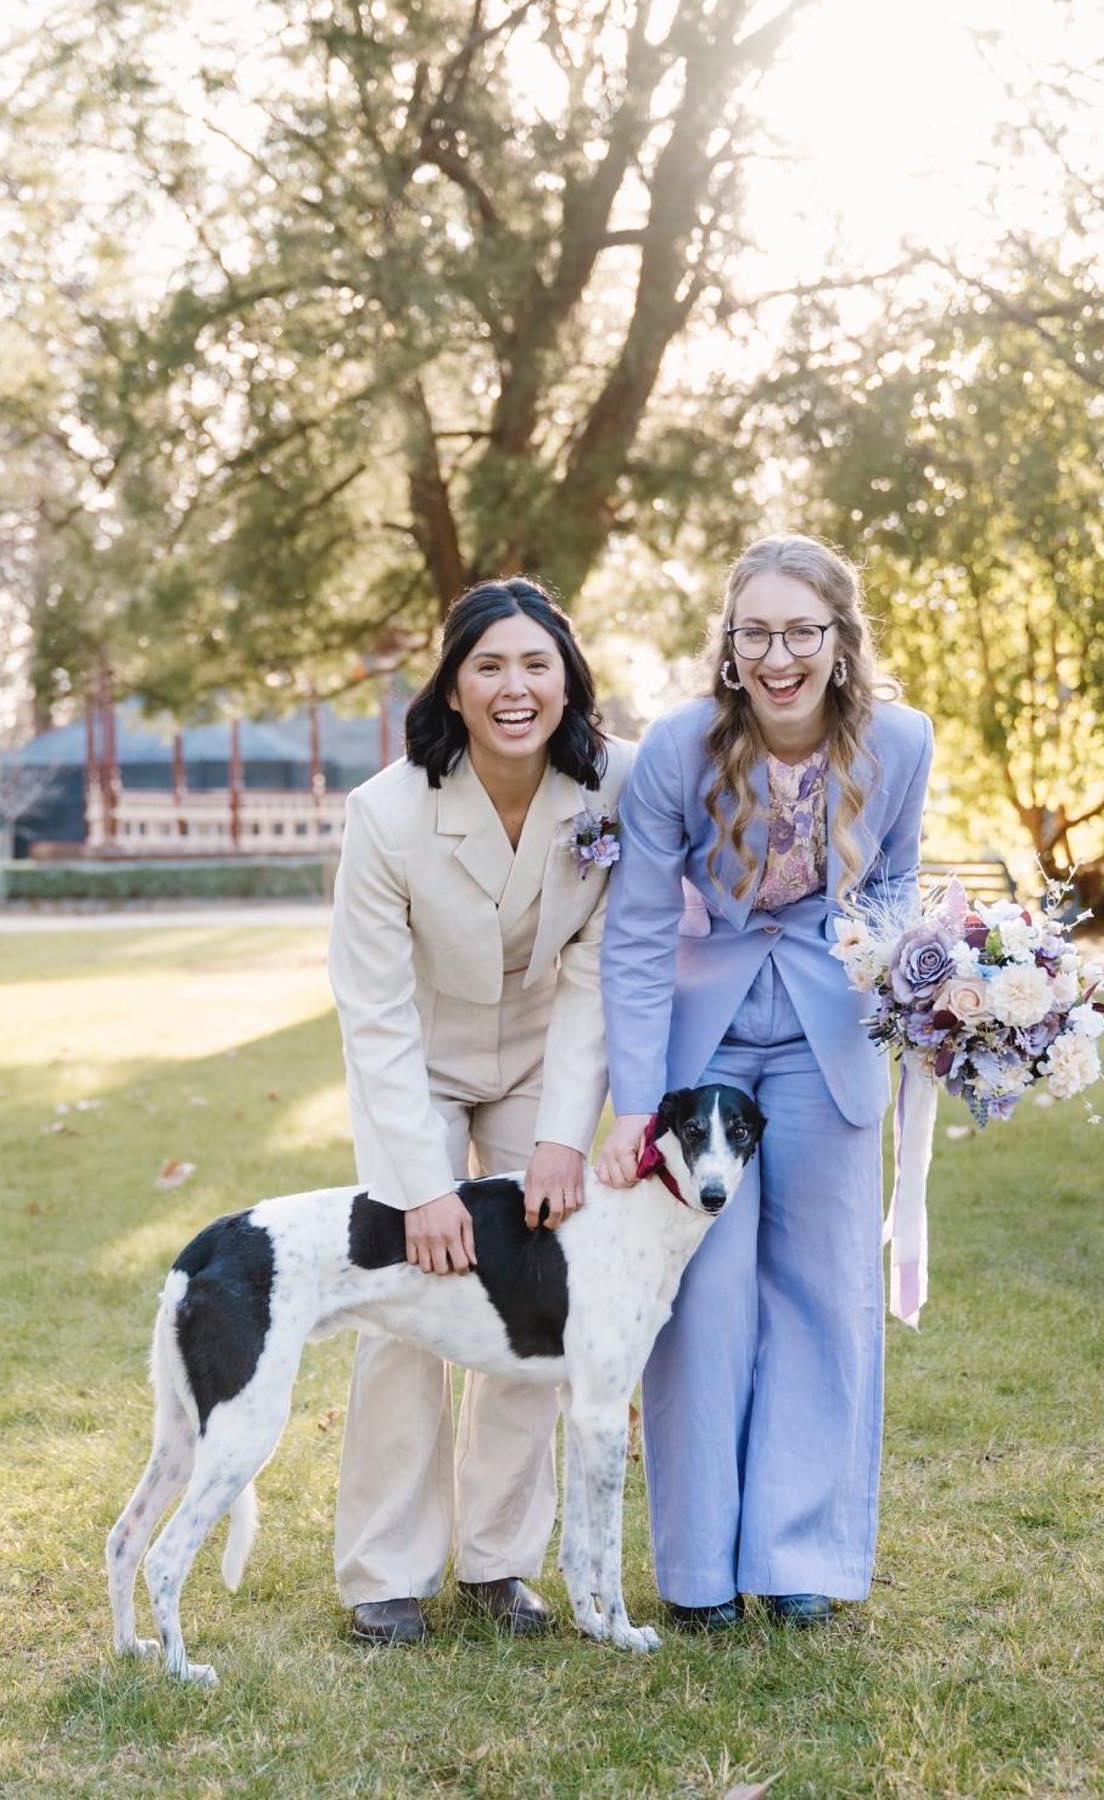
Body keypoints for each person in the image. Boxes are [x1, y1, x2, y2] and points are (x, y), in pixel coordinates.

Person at [595, 532, 932, 1628]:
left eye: (800, 631)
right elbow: (640, 931)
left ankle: (802, 1563)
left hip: (829, 1041)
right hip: (706, 1047)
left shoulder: (904, 743)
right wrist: (639, 1104)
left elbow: (892, 888)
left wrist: (923, 976)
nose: (778, 655)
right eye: (756, 634)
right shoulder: (677, 750)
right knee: (702, 1300)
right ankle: (697, 1577)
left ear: (840, 641)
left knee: (826, 1293)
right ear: (729, 648)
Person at [328, 578, 631, 1644]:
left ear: (568, 680)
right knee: (409, 1298)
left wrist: (561, 1137)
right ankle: (385, 1572)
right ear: (453, 689)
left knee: (538, 1295)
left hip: (545, 1061)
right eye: (489, 666)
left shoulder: (613, 788)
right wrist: (420, 1188)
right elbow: (372, 1012)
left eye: (536, 665)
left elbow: (601, 970)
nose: (515, 687)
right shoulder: (387, 813)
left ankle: (499, 1563)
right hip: (422, 1062)